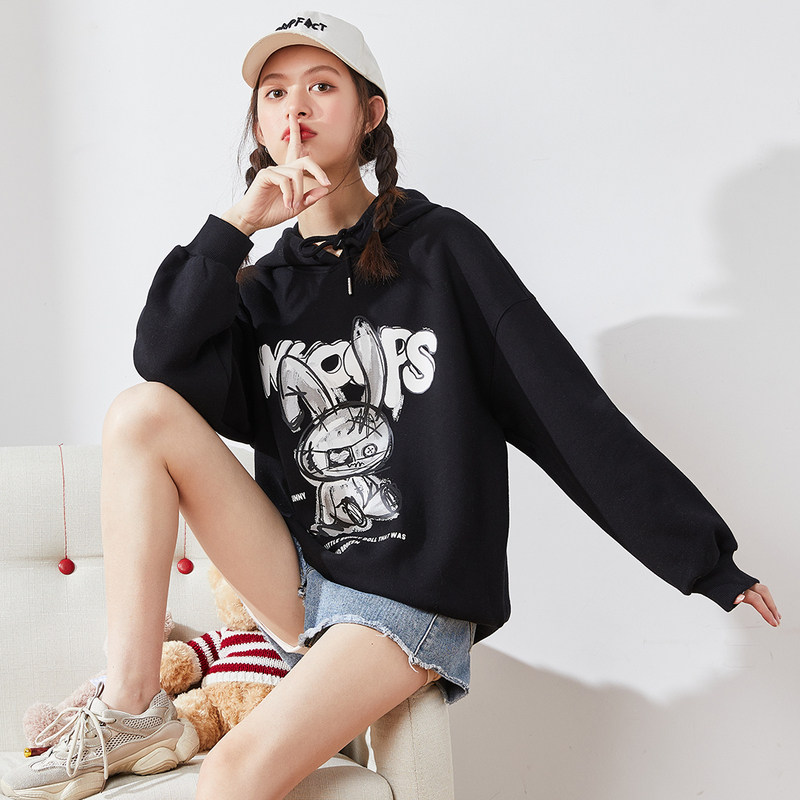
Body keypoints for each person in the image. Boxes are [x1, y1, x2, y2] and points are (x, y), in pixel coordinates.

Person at [2, 10, 780, 800]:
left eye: (322, 86)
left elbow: (566, 410)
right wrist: (238, 226)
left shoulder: (444, 251)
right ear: (260, 126)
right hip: (301, 581)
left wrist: (704, 559)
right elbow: (163, 357)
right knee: (140, 412)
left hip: (410, 596)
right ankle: (133, 708)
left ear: (370, 113)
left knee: (233, 775)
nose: (296, 108)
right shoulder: (264, 287)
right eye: (275, 93)